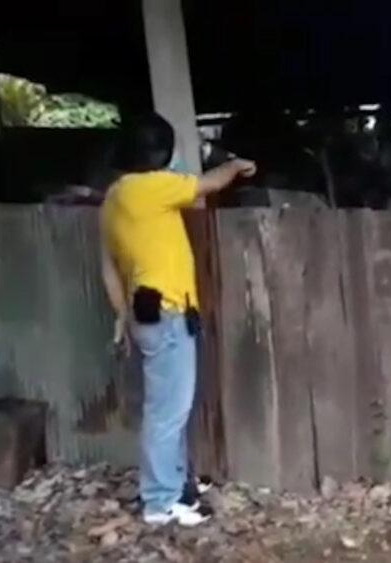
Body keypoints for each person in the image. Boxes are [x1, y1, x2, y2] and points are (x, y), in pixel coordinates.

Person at [99, 113, 256, 526]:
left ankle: (177, 482)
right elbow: (208, 184)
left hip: (147, 313)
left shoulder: (114, 197)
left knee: (171, 405)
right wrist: (235, 165)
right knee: (167, 411)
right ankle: (161, 500)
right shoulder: (151, 186)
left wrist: (121, 316)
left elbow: (108, 268)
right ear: (159, 153)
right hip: (167, 313)